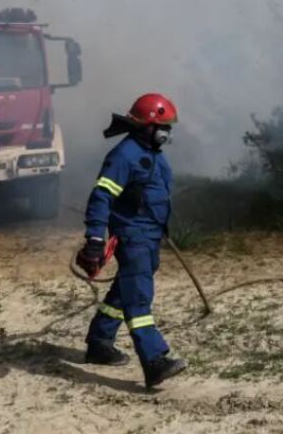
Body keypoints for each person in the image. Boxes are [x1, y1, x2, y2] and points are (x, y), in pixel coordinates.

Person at [75, 93, 188, 389]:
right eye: (162, 125)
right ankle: (154, 361)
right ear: (146, 126)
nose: (167, 132)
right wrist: (96, 239)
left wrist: (161, 227)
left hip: (149, 235)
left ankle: (99, 343)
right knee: (138, 297)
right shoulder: (124, 156)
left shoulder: (151, 154)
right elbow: (101, 196)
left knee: (124, 290)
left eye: (168, 127)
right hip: (133, 236)